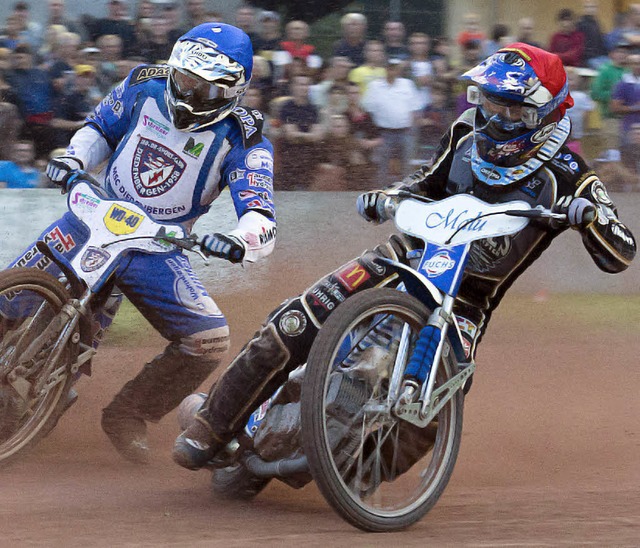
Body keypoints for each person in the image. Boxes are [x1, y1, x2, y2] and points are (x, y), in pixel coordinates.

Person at [173, 42, 635, 472]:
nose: (490, 115)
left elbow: (622, 253)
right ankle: (212, 422)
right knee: (299, 317)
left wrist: (588, 216)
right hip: (403, 255)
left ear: (539, 112)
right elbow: (426, 182)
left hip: (467, 302)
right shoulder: (464, 134)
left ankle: (353, 478)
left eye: (506, 106)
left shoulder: (570, 175)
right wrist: (390, 196)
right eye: (486, 100)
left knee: (431, 415)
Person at [10, 23, 276, 464]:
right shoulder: (143, 84)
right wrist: (74, 159)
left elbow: (260, 215)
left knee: (210, 339)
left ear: (235, 91)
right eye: (185, 80)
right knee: (11, 296)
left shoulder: (246, 139)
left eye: (205, 89)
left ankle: (129, 413)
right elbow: (99, 129)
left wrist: (239, 241)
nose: (190, 95)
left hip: (156, 246)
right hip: (94, 212)